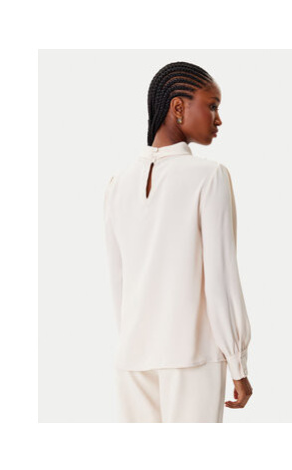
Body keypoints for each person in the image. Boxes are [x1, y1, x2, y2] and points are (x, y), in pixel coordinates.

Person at [103, 61, 253, 423]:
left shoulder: (117, 184)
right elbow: (221, 279)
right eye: (212, 105)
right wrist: (237, 362)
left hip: (133, 359)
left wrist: (133, 340)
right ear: (178, 107)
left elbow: (118, 282)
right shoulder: (210, 176)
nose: (218, 119)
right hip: (192, 356)